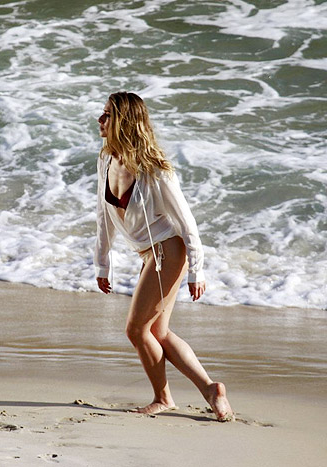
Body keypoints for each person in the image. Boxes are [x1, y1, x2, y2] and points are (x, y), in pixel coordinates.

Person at [94, 92, 233, 422]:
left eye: (107, 115)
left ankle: (163, 398)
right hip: (149, 254)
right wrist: (103, 262)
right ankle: (211, 390)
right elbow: (102, 215)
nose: (99, 121)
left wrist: (196, 271)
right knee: (158, 333)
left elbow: (187, 224)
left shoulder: (155, 171)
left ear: (124, 122)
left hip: (167, 252)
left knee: (136, 330)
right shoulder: (106, 160)